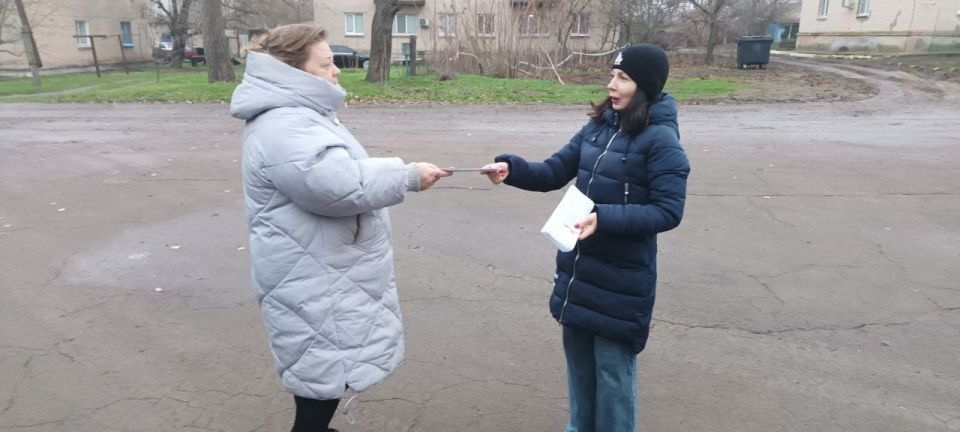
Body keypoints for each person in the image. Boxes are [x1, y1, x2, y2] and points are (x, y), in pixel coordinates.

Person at [229, 24, 451, 432]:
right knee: (322, 370)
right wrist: (406, 176)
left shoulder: (299, 114)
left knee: (323, 368)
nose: (337, 72)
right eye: (327, 64)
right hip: (312, 275)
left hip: (319, 267)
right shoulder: (285, 123)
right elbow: (335, 185)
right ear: (294, 72)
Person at [482, 44, 690, 432]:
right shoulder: (598, 128)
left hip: (621, 281)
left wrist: (603, 218)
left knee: (612, 377)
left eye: (623, 78)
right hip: (580, 271)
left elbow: (668, 210)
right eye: (612, 75)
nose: (611, 84)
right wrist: (512, 169)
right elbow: (553, 170)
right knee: (580, 371)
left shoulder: (661, 141)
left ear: (644, 86)